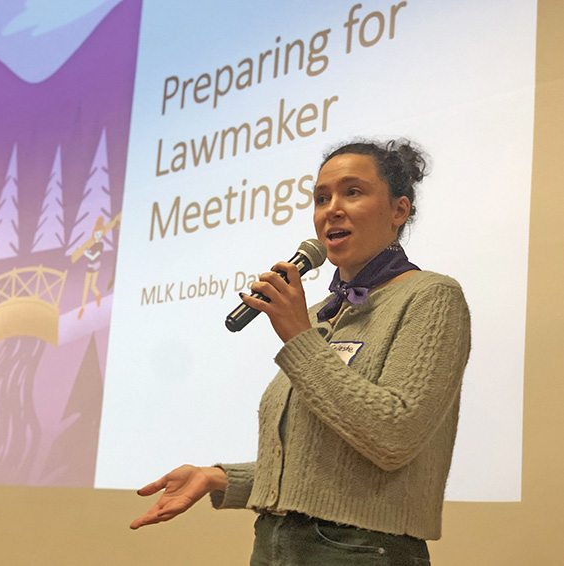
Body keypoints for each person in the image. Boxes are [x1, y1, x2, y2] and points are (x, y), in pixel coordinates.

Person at [130, 139, 471, 565]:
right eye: (321, 198)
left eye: (353, 192)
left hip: (360, 550)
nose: (332, 209)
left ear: (399, 210)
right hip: (276, 544)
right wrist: (218, 478)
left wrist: (298, 338)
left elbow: (393, 437)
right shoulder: (319, 317)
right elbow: (322, 462)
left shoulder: (430, 297)